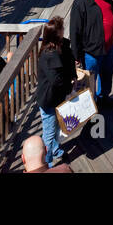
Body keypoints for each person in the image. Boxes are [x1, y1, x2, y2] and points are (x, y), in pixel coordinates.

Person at [70, 0, 113, 104]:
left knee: (108, 74)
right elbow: (74, 30)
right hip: (92, 51)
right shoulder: (81, 2)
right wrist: (76, 56)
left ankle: (104, 97)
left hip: (109, 46)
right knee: (91, 81)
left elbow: (111, 9)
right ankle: (92, 106)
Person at [33, 16, 75, 170]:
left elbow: (70, 60)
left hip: (58, 97)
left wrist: (74, 76)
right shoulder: (49, 55)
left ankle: (56, 150)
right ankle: (47, 164)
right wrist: (70, 86)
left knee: (57, 127)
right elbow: (56, 81)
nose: (64, 30)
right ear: (56, 33)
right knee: (49, 134)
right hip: (49, 100)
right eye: (62, 28)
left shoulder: (61, 45)